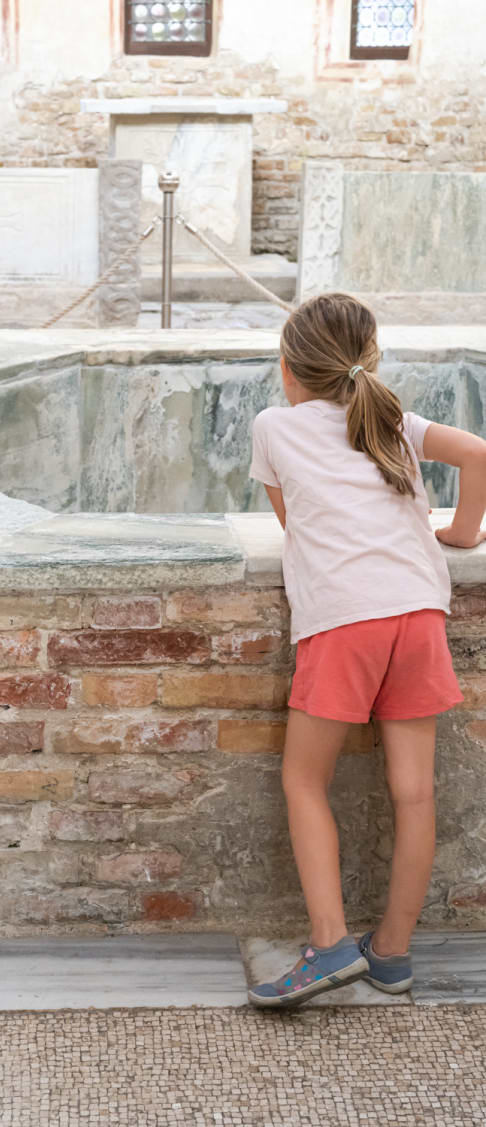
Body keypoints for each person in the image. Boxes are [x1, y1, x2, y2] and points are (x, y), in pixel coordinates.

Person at [247, 293, 486, 1007]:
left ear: (289, 371)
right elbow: (478, 451)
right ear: (366, 362)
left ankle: (328, 945)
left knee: (303, 779)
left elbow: (297, 526)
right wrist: (464, 534)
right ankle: (391, 952)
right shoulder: (390, 418)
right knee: (414, 793)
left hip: (344, 619)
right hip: (418, 612)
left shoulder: (273, 425)